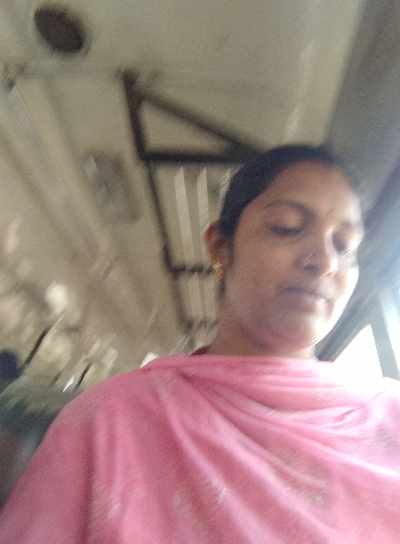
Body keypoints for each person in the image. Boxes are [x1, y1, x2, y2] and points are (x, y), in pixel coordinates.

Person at [1, 145, 399, 543]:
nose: (324, 261)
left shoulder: (391, 417)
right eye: (286, 227)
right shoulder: (109, 420)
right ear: (220, 248)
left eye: (344, 245)